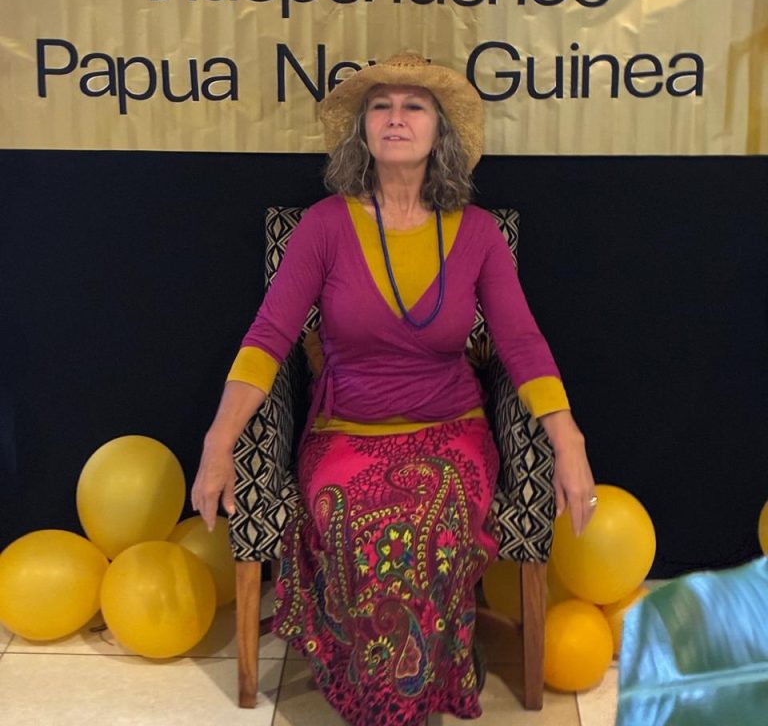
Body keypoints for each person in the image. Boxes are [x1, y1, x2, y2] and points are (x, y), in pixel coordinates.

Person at [192, 52, 596, 725]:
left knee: (432, 526)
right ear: (363, 130)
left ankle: (404, 695)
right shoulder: (325, 225)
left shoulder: (477, 233)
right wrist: (218, 441)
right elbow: (268, 337)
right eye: (381, 106)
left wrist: (569, 441)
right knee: (356, 526)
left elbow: (522, 344)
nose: (396, 118)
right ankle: (392, 701)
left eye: (414, 107)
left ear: (440, 132)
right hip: (346, 432)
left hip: (452, 430)